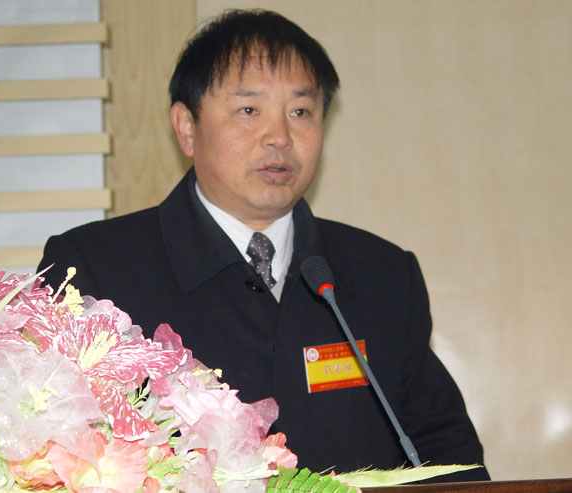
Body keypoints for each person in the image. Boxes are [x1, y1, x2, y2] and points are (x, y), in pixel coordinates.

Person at [38, 9, 489, 481]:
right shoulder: (92, 270)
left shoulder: (384, 274)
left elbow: (446, 453)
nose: (279, 137)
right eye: (249, 110)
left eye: (300, 112)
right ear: (187, 127)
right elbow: (54, 455)